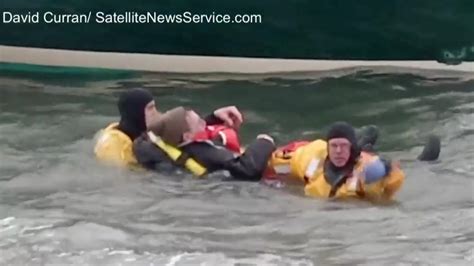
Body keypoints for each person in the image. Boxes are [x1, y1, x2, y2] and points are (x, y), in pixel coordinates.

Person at [93, 88, 244, 167]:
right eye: (151, 109)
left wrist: (213, 118)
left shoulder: (137, 135)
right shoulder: (114, 149)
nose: (158, 114)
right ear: (136, 113)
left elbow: (176, 134)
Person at [264, 121, 405, 202]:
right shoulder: (314, 157)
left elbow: (394, 184)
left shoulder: (365, 172)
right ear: (328, 146)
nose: (338, 151)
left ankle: (366, 143)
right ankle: (364, 141)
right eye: (334, 146)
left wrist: (388, 168)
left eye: (343, 146)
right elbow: (279, 160)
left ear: (350, 147)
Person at [133, 107, 276, 180]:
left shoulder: (151, 149)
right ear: (188, 136)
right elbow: (247, 170)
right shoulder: (206, 152)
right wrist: (264, 142)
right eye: (200, 123)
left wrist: (214, 117)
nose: (205, 125)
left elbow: (187, 132)